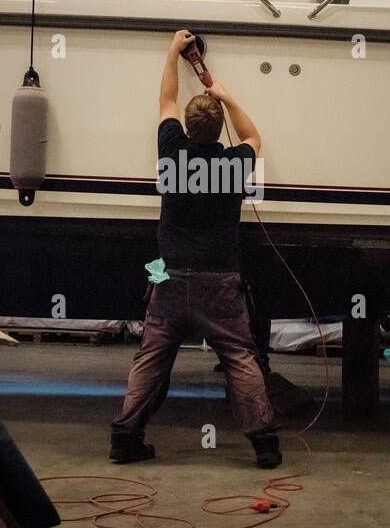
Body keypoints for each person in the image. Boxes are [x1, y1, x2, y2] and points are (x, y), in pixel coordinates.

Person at [109, 30, 281, 469]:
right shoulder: (233, 163)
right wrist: (226, 96)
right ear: (216, 126)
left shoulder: (172, 154)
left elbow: (165, 102)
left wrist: (171, 53)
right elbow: (254, 136)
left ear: (187, 128)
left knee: (151, 355)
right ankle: (265, 445)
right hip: (219, 280)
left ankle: (125, 438)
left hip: (166, 276)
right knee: (240, 357)